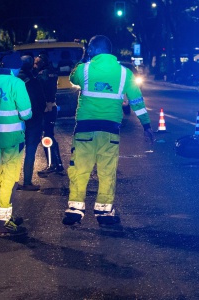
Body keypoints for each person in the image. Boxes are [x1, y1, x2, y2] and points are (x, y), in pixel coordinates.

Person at [63, 35, 154, 226]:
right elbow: (137, 101)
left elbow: (72, 78)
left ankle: (75, 210)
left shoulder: (84, 69)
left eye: (89, 48)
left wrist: (83, 59)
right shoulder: (125, 73)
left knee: (80, 170)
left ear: (93, 50)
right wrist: (146, 126)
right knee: (107, 171)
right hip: (110, 130)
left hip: (85, 129)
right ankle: (104, 212)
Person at [0, 51, 32, 237]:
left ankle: (5, 215)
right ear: (15, 68)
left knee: (1, 176)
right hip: (13, 138)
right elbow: (26, 114)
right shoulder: (17, 83)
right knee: (10, 177)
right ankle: (3, 221)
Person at [17, 55, 47, 191]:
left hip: (16, 122)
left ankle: (12, 181)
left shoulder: (15, 80)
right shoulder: (34, 81)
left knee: (14, 153)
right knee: (30, 151)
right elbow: (41, 102)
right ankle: (27, 181)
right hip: (33, 121)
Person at [34, 53, 65, 176]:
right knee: (49, 136)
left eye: (37, 63)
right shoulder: (52, 72)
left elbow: (43, 91)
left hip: (46, 109)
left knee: (47, 137)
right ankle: (57, 164)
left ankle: (52, 164)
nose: (35, 65)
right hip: (51, 107)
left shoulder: (43, 75)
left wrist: (46, 104)